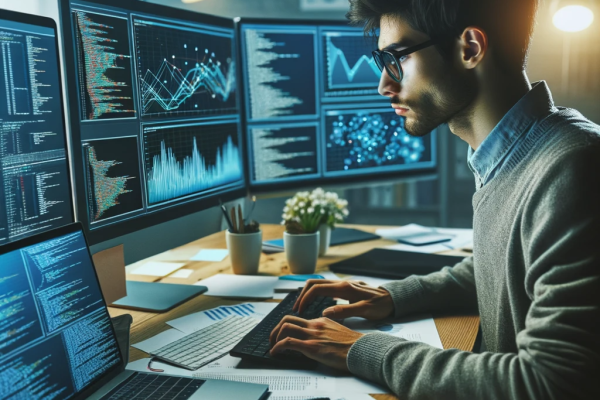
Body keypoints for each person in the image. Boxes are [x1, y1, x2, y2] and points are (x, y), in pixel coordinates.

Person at [269, 0, 600, 398]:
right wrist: (393, 297)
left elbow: (549, 382)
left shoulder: (573, 167)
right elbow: (502, 264)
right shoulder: (518, 154)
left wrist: (361, 348)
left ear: (470, 48)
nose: (384, 85)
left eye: (397, 59)